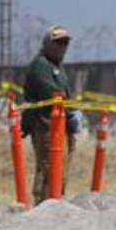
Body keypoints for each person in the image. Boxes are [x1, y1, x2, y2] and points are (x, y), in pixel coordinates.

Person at [21, 25, 75, 204]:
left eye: (65, 42)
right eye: (58, 42)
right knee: (48, 170)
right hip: (46, 127)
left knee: (59, 173)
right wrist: (70, 110)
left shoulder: (56, 66)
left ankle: (54, 204)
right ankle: (42, 206)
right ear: (48, 43)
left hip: (60, 126)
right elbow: (54, 93)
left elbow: (66, 94)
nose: (62, 46)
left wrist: (72, 114)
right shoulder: (41, 66)